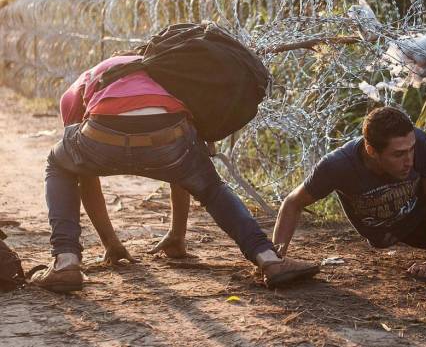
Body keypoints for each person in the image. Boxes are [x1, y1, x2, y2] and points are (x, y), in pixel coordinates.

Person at [30, 54, 319, 292]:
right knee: (212, 188)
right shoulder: (167, 72)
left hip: (102, 132)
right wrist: (177, 234)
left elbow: (85, 176)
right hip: (169, 136)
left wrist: (111, 243)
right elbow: (185, 168)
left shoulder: (83, 84)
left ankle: (66, 261)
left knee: (60, 165)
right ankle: (269, 259)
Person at [272, 106, 426, 278]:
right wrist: (275, 261)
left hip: (423, 202)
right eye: (398, 154)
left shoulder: (419, 145)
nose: (409, 160)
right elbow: (292, 203)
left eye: (411, 150)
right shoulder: (337, 165)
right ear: (371, 150)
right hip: (396, 228)